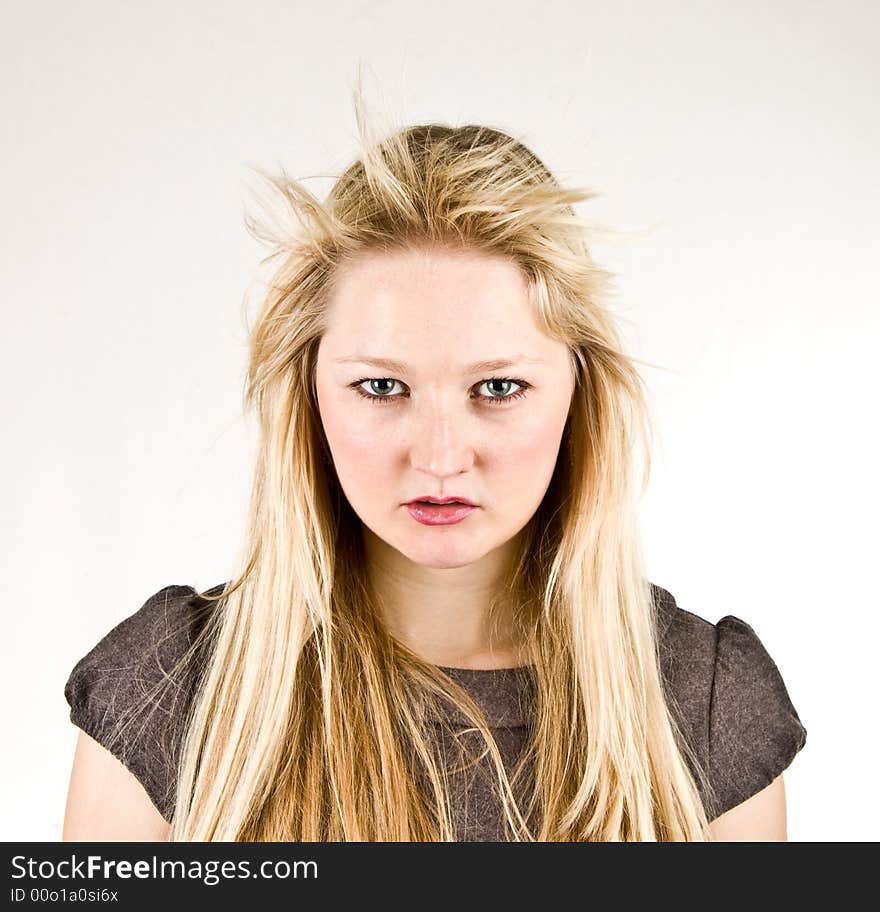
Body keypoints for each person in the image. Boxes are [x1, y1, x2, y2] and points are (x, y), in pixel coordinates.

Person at [62, 91, 807, 842]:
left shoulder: (707, 707)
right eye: (382, 387)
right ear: (310, 391)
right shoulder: (165, 691)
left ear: (578, 394)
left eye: (498, 387)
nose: (442, 456)